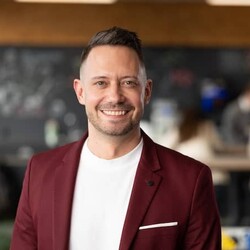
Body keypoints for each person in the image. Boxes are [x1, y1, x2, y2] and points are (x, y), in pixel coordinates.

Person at [10, 26, 221, 250]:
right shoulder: (40, 172)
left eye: (128, 82)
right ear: (80, 92)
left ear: (146, 91)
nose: (115, 96)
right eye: (101, 82)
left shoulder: (191, 180)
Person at [220, 83, 250, 226]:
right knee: (236, 187)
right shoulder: (233, 111)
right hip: (235, 156)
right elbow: (228, 134)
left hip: (246, 155)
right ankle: (236, 220)